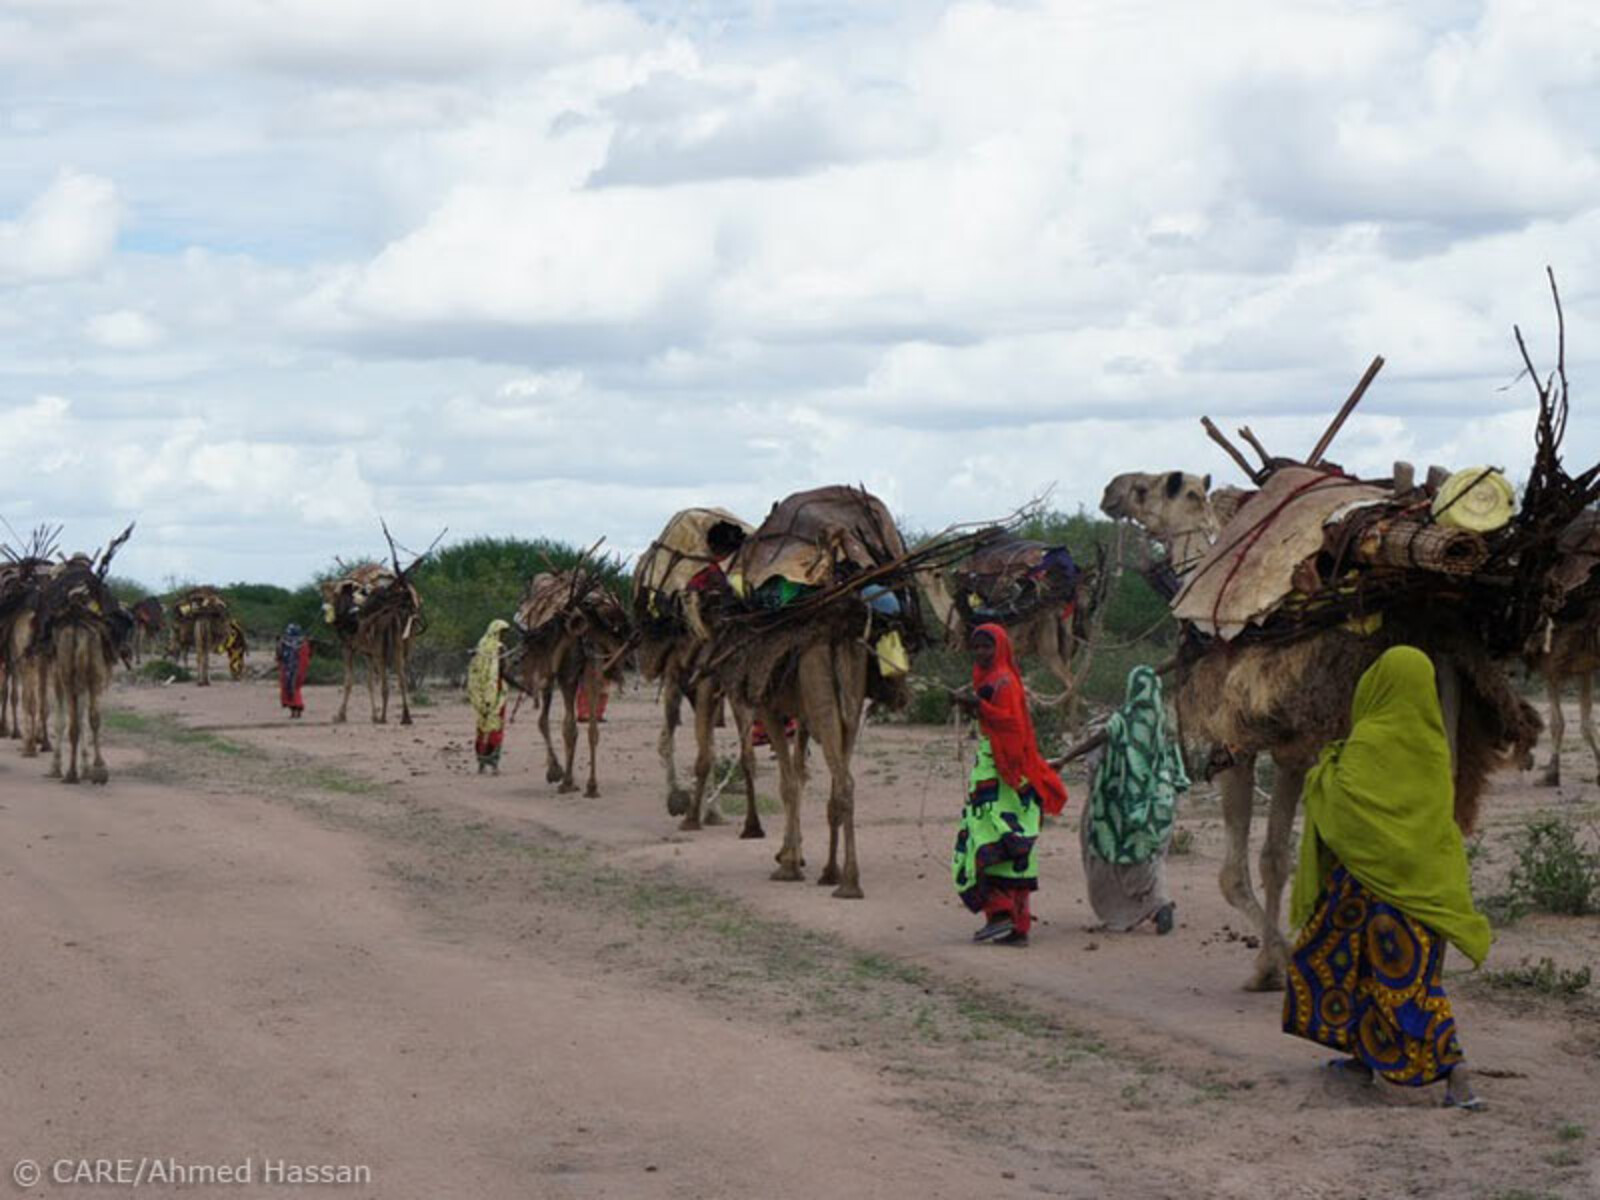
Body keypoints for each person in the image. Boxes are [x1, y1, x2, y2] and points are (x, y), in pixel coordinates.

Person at [1283, 646, 1487, 1110]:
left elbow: (1346, 809)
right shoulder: (1433, 743)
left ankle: (1455, 1072)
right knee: (1364, 971)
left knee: (1399, 986)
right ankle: (1362, 1057)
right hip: (1424, 888)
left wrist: (1322, 772)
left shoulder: (1370, 740)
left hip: (1380, 894)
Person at [951, 624, 1069, 947]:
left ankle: (1002, 914)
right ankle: (1016, 926)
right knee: (1011, 843)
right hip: (997, 764)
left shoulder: (1004, 683)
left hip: (1006, 770)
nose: (981, 653)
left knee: (985, 837)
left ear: (1000, 648)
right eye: (976, 647)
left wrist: (977, 706)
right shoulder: (987, 678)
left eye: (987, 647)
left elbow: (1013, 725)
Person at [1081, 664, 1187, 934]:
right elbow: (1174, 766)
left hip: (1120, 805)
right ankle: (1159, 903)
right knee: (1151, 857)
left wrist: (1061, 762)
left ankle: (1122, 912)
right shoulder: (1163, 723)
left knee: (1109, 855)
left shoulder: (1121, 722)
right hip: (1159, 806)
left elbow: (1095, 749)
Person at [468, 619, 511, 774]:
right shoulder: (500, 648)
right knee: (495, 726)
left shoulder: (481, 645)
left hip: (480, 693)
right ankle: (493, 763)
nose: (504, 636)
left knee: (481, 726)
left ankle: (481, 762)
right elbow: (505, 671)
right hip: (496, 692)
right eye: (503, 633)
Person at [275, 623, 311, 719]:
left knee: (292, 690)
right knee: (294, 689)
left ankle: (295, 711)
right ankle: (295, 712)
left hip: (292, 670)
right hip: (297, 670)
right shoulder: (303, 643)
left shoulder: (287, 643)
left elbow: (279, 655)